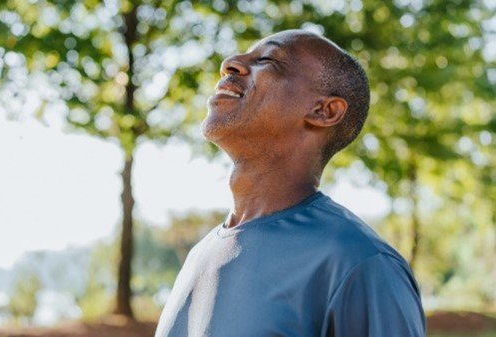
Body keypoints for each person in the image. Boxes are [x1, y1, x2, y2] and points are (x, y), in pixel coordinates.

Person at [154, 29, 426, 337]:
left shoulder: (361, 264)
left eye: (267, 60)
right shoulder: (200, 255)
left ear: (324, 111)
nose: (230, 63)